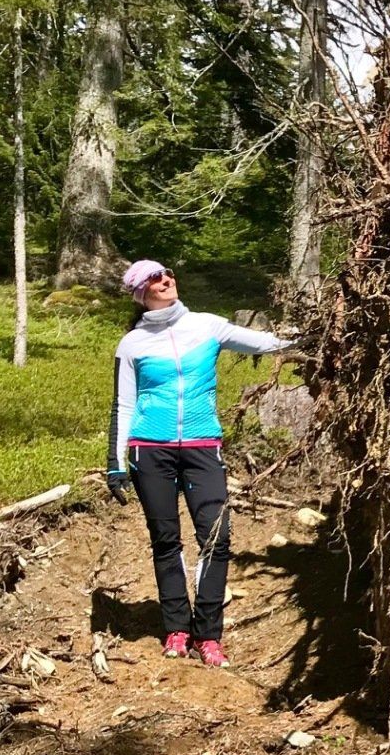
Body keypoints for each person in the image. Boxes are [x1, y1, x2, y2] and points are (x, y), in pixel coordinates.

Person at [107, 259, 291, 668]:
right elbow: (123, 404)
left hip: (202, 446)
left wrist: (316, 333)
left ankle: (209, 636)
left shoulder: (206, 325)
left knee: (216, 538)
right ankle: (177, 628)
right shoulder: (132, 344)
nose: (165, 280)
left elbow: (266, 342)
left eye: (166, 273)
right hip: (148, 449)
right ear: (141, 293)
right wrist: (115, 462)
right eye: (154, 278)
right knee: (166, 540)